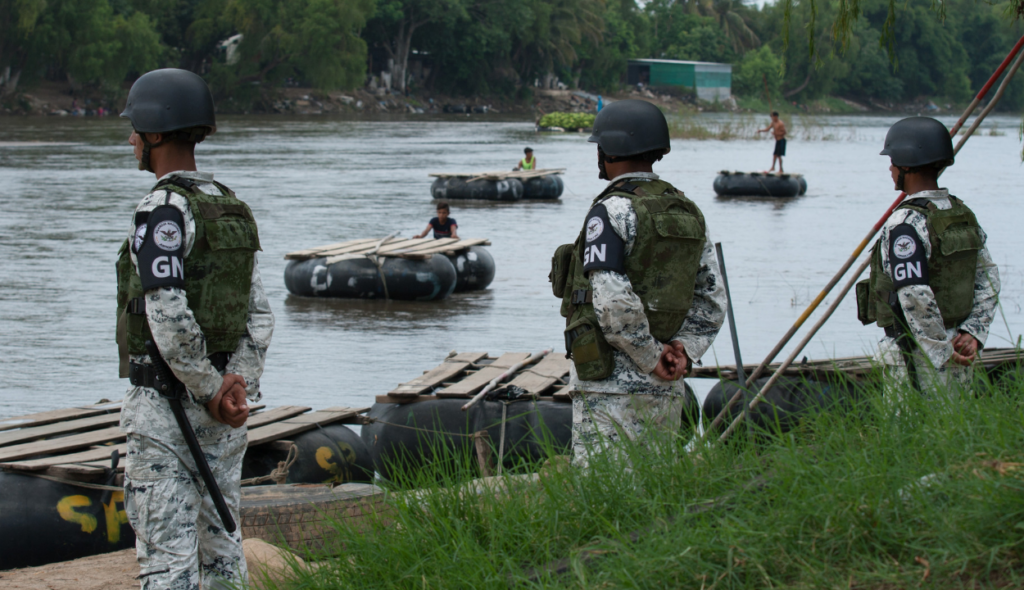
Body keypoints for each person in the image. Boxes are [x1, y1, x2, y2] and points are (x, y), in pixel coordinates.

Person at [116, 68, 274, 589]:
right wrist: (236, 389)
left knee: (167, 560)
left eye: (136, 129)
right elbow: (260, 314)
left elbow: (167, 311)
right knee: (224, 548)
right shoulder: (233, 207)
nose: (132, 139)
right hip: (228, 414)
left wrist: (208, 389)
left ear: (157, 135)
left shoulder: (161, 209)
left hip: (167, 412)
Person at [551, 99, 727, 468]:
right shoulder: (687, 210)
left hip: (610, 382)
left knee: (604, 492)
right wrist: (682, 351)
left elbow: (612, 300)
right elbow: (711, 297)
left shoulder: (610, 211)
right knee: (654, 487)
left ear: (609, 151)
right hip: (668, 380)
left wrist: (649, 357)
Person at [856, 116, 999, 398]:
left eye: (893, 160)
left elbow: (914, 292)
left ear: (906, 164)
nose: (890, 167)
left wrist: (940, 350)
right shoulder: (960, 212)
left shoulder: (905, 223)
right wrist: (972, 334)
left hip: (916, 354)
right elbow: (989, 277)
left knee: (909, 437)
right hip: (961, 345)